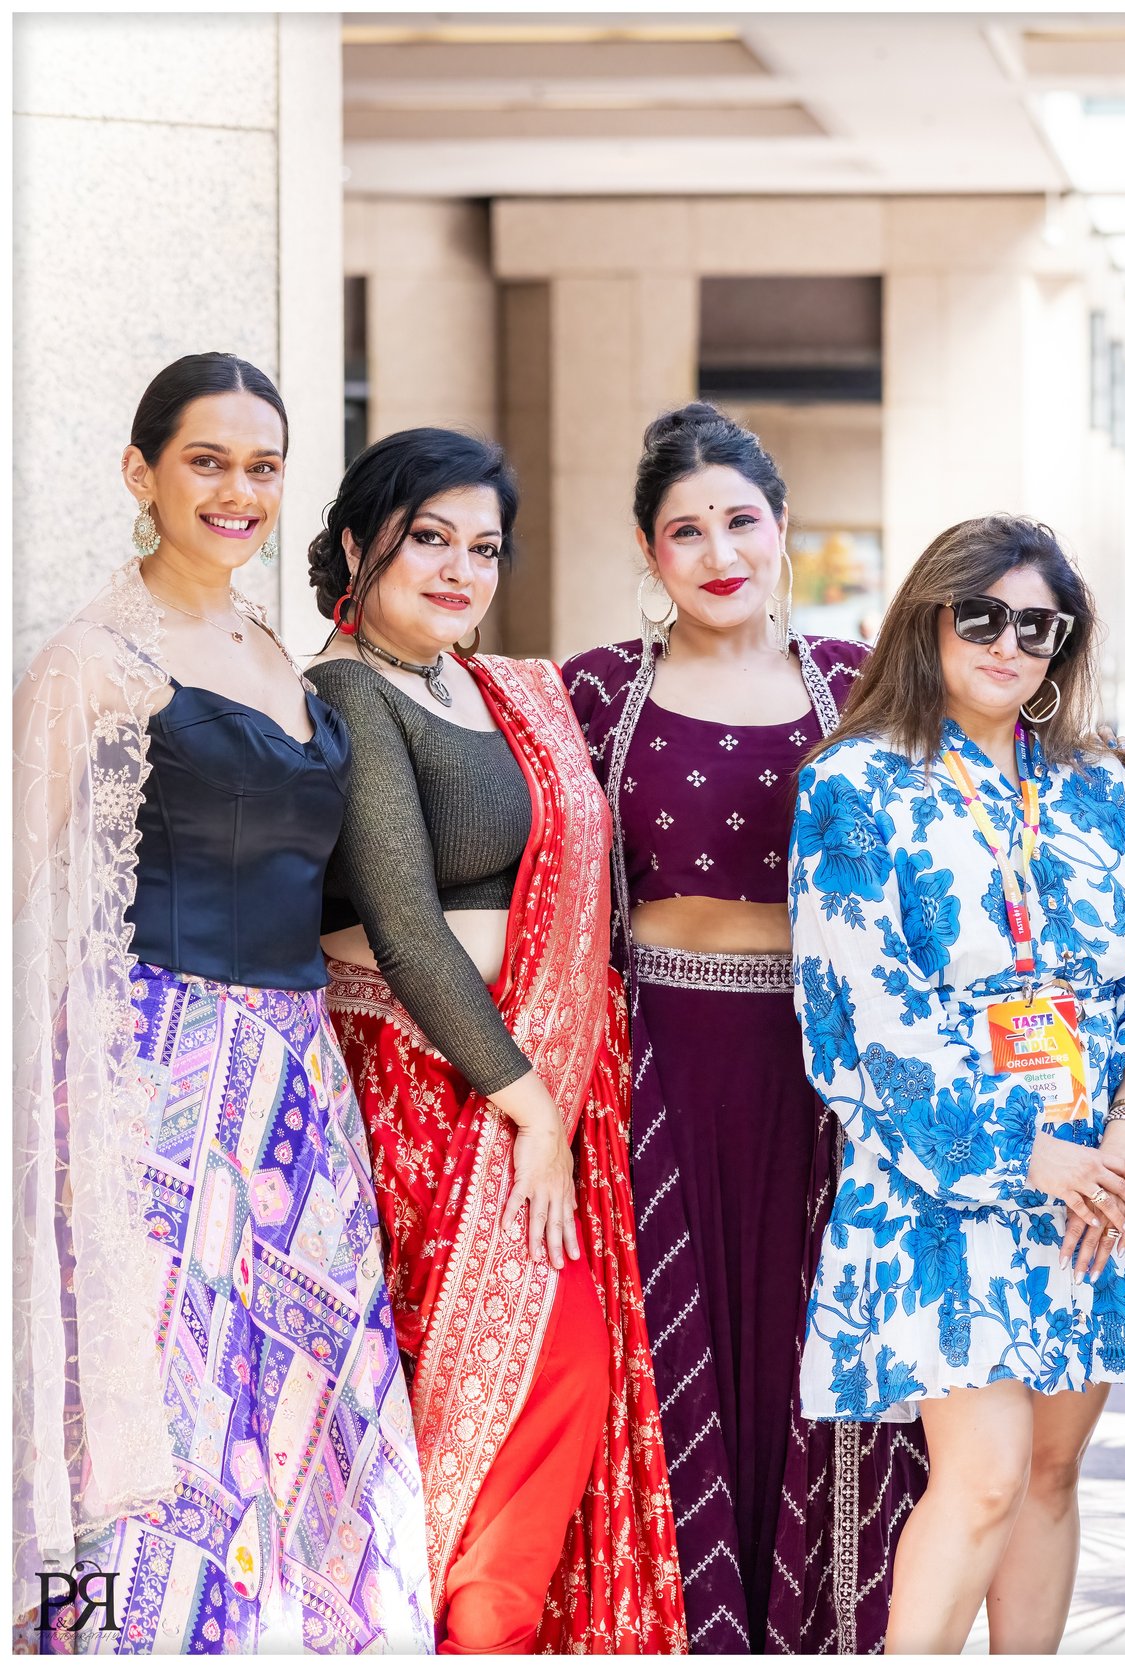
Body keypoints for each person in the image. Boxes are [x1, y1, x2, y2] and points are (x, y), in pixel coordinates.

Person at [11, 354, 430, 1651]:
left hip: (296, 1077)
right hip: (158, 1071)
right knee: (179, 1399)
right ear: (142, 474)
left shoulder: (269, 646)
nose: (239, 489)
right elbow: (24, 905)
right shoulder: (90, 659)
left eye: (262, 464)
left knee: (305, 1394)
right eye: (208, 460)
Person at [789, 515, 1125, 1655]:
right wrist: (1034, 1153)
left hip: (1101, 1182)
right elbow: (861, 1014)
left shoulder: (1094, 784)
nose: (1009, 642)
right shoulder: (853, 784)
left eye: (1039, 624)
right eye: (980, 614)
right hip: (950, 1177)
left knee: (1047, 1470)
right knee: (978, 1475)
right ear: (927, 617)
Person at [305, 429, 683, 1653]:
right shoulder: (348, 689)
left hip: (520, 1086)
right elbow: (406, 925)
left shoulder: (497, 686)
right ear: (362, 543)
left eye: (484, 547)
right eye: (430, 539)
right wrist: (531, 1105)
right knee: (508, 1386)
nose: (462, 569)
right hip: (429, 1096)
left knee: (549, 1387)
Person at [562, 403, 924, 1653]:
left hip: (820, 1080)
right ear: (648, 550)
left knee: (808, 1355)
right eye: (684, 530)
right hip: (650, 1067)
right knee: (667, 1358)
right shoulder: (596, 692)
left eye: (740, 521)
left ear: (782, 529)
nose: (718, 551)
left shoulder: (863, 685)